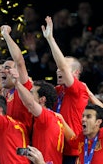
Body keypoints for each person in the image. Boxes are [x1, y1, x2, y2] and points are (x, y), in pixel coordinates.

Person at [42, 16, 89, 164]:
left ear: (76, 74)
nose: (59, 71)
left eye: (64, 69)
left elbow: (62, 66)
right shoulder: (56, 91)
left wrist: (50, 39)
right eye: (57, 68)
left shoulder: (79, 89)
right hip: (56, 147)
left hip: (73, 151)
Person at [15, 76, 66, 164]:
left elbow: (30, 103)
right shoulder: (52, 118)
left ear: (42, 100)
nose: (28, 96)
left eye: (31, 93)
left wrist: (17, 83)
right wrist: (18, 150)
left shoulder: (46, 117)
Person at [0, 24, 34, 133]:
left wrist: (6, 35)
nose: (2, 71)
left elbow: (19, 61)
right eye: (2, 68)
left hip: (22, 139)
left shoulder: (24, 87)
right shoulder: (6, 94)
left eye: (7, 68)